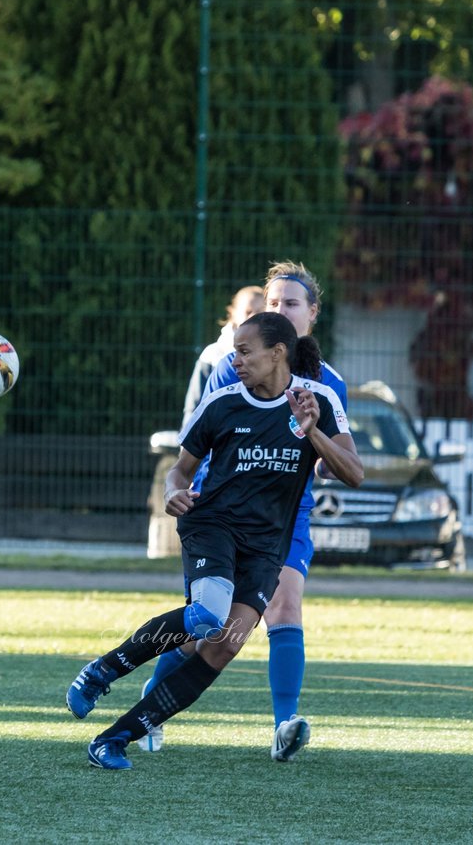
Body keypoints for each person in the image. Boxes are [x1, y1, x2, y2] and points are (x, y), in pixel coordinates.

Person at [66, 311, 362, 770]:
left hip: (267, 547)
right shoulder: (222, 402)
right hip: (213, 525)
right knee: (207, 615)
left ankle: (113, 740)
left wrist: (312, 432)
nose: (236, 360)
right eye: (235, 352)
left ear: (277, 352)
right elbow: (179, 469)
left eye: (245, 352)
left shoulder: (318, 398)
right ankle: (105, 669)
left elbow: (353, 473)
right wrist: (172, 492)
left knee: (224, 645)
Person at [140, 262, 346, 760]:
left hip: (285, 517)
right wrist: (185, 489)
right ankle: (150, 704)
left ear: (311, 315)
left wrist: (317, 453)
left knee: (285, 606)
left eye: (291, 303)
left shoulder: (327, 383)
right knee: (213, 630)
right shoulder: (231, 369)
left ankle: (284, 727)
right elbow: (202, 441)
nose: (279, 310)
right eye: (272, 302)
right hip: (225, 515)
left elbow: (339, 457)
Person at [181, 285, 265, 423]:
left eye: (260, 312)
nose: (254, 317)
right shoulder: (212, 355)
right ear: (233, 313)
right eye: (248, 312)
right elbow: (194, 407)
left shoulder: (275, 355)